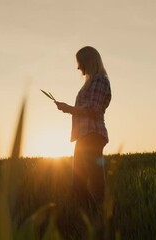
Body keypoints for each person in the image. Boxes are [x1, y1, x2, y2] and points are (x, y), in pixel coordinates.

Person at [55, 46, 111, 209]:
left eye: (80, 63)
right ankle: (87, 215)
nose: (78, 67)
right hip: (84, 135)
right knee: (78, 183)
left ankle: (101, 215)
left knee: (94, 181)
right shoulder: (93, 81)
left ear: (88, 62)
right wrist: (68, 109)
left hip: (92, 135)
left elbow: (92, 110)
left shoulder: (99, 80)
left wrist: (68, 108)